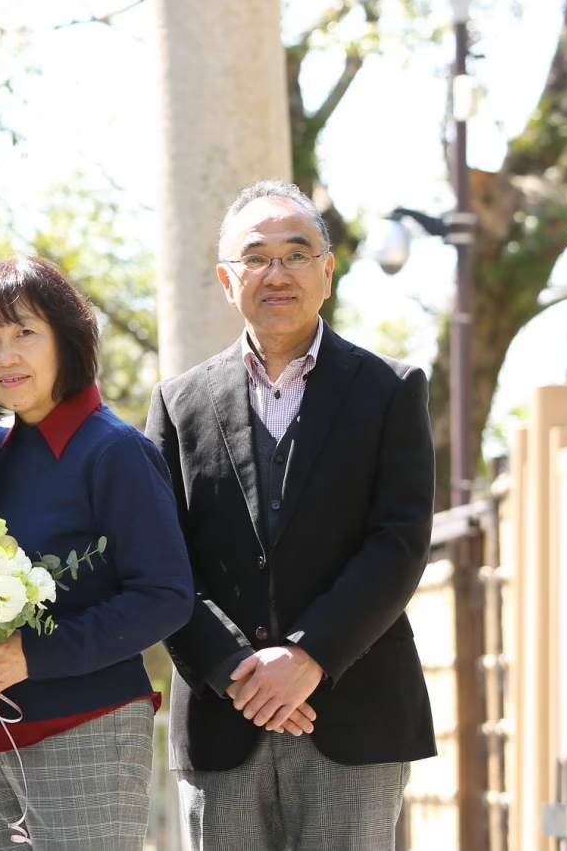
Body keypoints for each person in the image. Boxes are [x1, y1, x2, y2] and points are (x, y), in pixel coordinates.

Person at [145, 179, 436, 851]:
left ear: (327, 272)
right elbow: (161, 561)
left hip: (354, 716)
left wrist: (308, 655)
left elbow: (398, 544)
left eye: (296, 254)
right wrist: (237, 672)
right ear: (227, 279)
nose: (276, 273)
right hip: (223, 720)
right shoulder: (178, 404)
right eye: (256, 257)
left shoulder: (391, 391)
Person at [0, 257, 193, 851]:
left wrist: (31, 654)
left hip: (90, 727)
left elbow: (166, 596)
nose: (7, 357)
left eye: (25, 332)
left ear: (66, 337)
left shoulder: (114, 451)